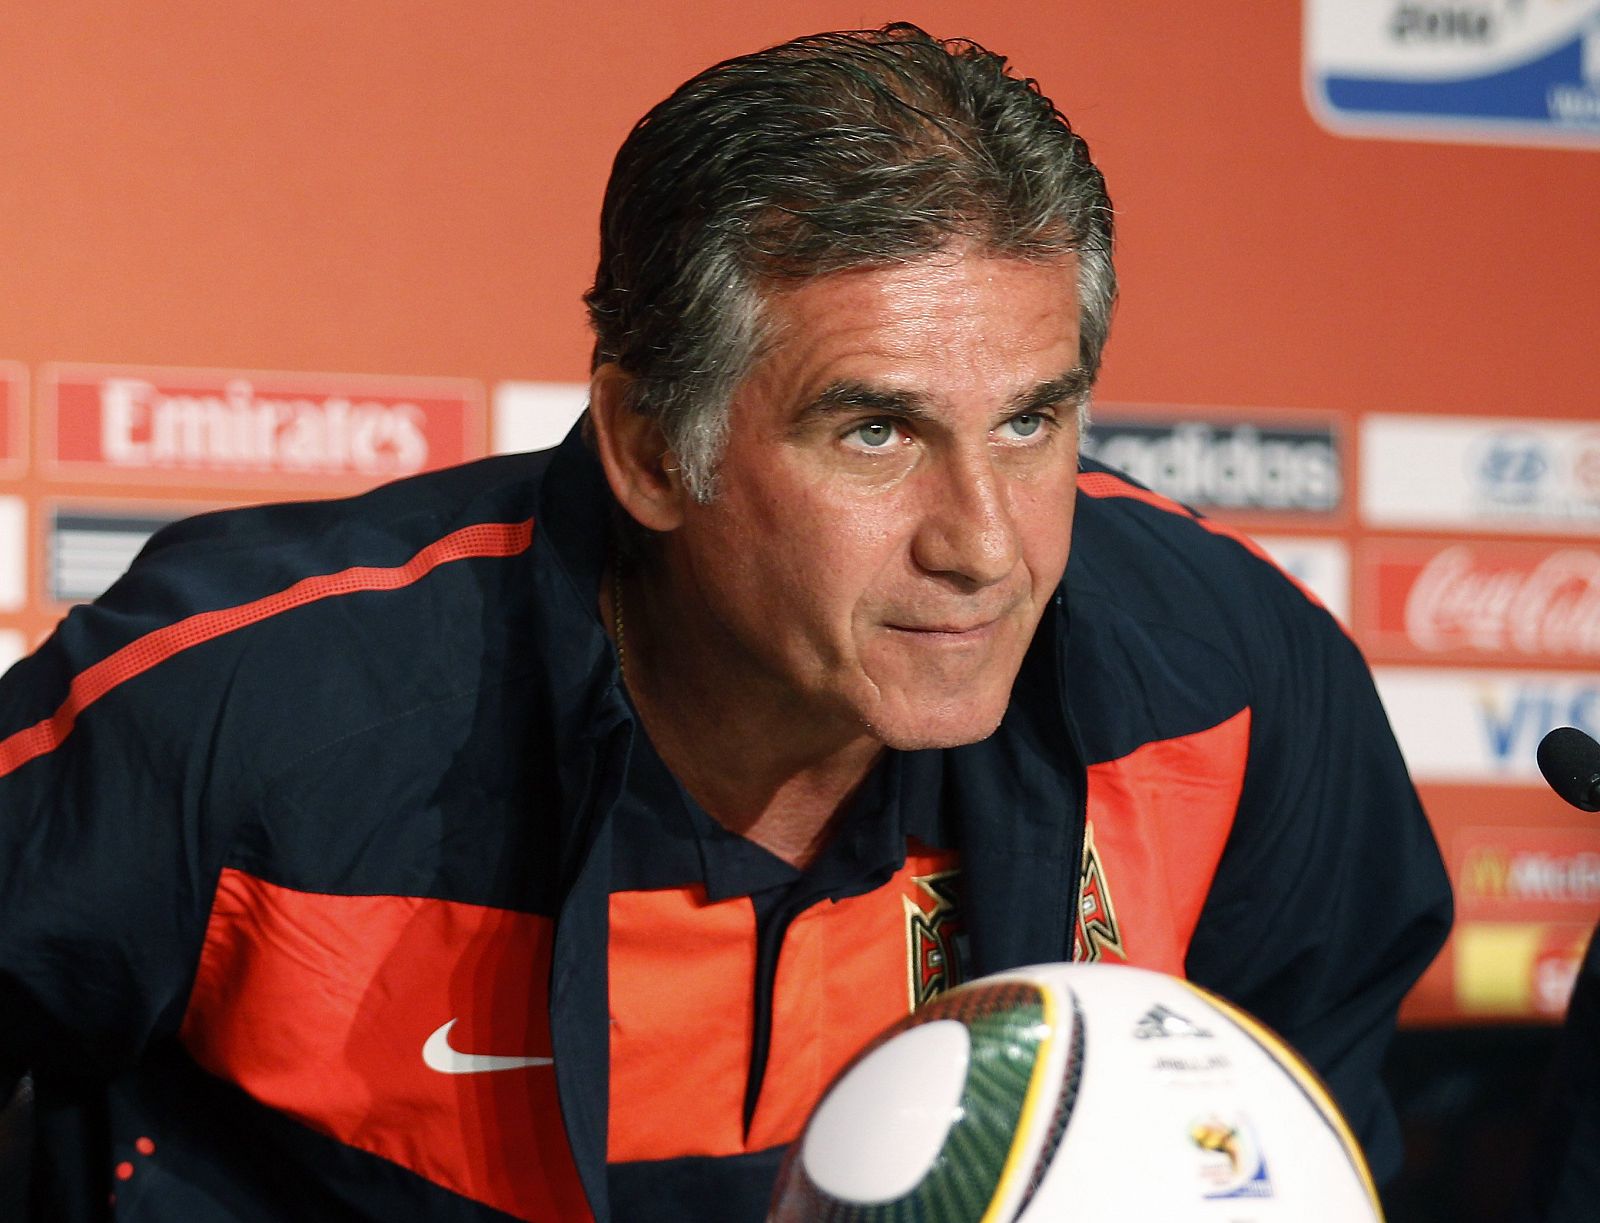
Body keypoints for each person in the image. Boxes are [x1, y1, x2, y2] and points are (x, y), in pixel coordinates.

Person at [0, 23, 1450, 1222]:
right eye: (875, 432)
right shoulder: (257, 712)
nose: (987, 546)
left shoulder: (1234, 689)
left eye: (1032, 421)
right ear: (646, 447)